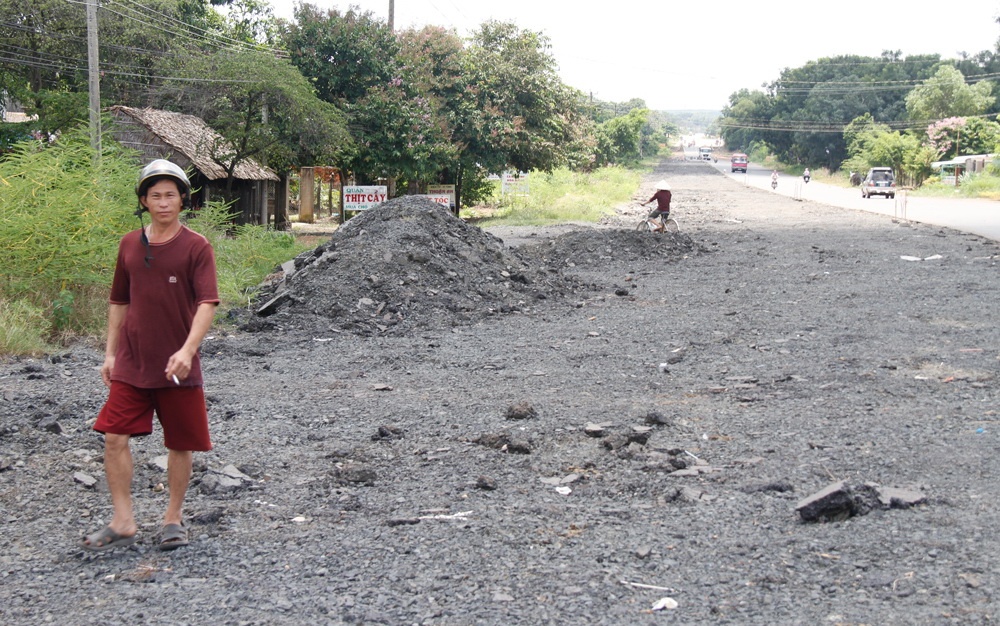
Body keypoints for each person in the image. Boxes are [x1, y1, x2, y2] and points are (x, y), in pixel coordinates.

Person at [81, 159, 219, 552]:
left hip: (178, 364)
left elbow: (207, 303)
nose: (162, 203)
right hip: (132, 361)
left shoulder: (196, 246)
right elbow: (118, 301)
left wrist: (188, 350)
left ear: (182, 200)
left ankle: (172, 518)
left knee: (180, 442)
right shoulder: (128, 244)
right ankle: (123, 520)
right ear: (143, 201)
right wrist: (109, 354)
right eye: (155, 196)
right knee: (113, 436)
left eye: (170, 195)